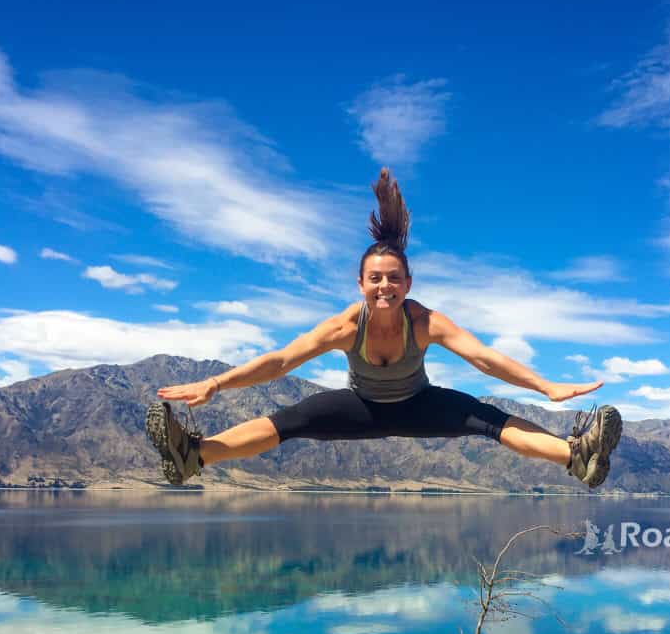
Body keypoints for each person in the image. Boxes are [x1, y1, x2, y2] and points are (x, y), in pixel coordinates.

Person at [146, 168, 622, 489]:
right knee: (287, 421)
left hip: (421, 404)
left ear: (408, 282)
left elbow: (484, 359)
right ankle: (193, 455)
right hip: (361, 407)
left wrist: (546, 387)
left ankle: (576, 456)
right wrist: (214, 383)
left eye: (394, 278)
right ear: (360, 283)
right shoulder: (344, 326)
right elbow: (279, 362)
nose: (384, 286)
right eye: (375, 278)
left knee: (489, 419)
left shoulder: (426, 321)